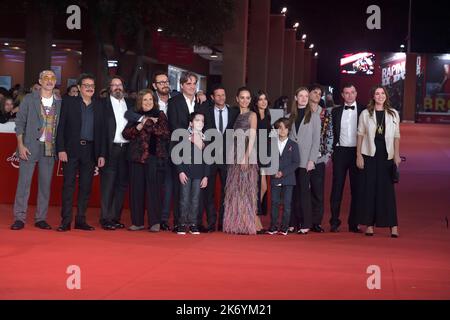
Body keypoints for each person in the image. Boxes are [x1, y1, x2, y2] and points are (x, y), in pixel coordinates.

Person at [11, 70, 61, 230]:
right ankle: (19, 217)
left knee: (45, 185)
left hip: (49, 148)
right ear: (40, 81)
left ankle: (41, 218)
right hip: (29, 147)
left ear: (55, 81)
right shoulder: (29, 99)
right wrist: (20, 145)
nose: (49, 80)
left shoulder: (60, 102)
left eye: (52, 78)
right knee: (24, 184)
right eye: (45, 78)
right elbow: (19, 123)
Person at [55, 73, 104, 231]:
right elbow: (60, 127)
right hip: (71, 149)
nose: (90, 88)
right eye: (86, 85)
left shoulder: (99, 105)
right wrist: (61, 149)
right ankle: (66, 221)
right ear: (79, 88)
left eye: (92, 86)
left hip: (90, 151)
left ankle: (81, 220)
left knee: (86, 186)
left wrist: (101, 154)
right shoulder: (69, 102)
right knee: (68, 185)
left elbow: (102, 133)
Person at [122, 89, 170, 232]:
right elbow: (126, 134)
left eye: (150, 99)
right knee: (136, 190)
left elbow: (165, 133)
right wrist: (140, 124)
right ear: (140, 102)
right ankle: (137, 222)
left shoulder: (160, 114)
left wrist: (147, 123)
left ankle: (155, 222)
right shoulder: (136, 116)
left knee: (154, 191)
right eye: (145, 100)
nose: (148, 102)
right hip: (137, 158)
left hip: (154, 158)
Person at [357, 86, 401, 238]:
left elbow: (396, 135)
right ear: (373, 96)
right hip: (369, 154)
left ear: (386, 96)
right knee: (370, 189)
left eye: (382, 93)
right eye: (377, 93)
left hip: (386, 155)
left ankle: (393, 226)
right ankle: (369, 225)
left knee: (387, 191)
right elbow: (360, 134)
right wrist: (358, 155)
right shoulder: (365, 114)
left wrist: (396, 155)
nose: (380, 96)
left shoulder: (393, 113)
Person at [199, 85, 239, 232]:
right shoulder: (205, 111)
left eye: (223, 95)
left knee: (226, 190)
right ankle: (211, 222)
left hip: (227, 157)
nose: (221, 97)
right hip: (209, 156)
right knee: (208, 191)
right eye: (218, 95)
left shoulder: (234, 112)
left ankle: (223, 222)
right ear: (212, 97)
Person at [167, 72, 203, 231]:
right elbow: (174, 125)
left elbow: (204, 124)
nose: (192, 86)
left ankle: (194, 222)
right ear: (181, 85)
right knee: (181, 189)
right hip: (180, 147)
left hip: (199, 151)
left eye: (194, 84)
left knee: (195, 193)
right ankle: (179, 223)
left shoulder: (201, 102)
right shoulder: (174, 102)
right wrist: (190, 137)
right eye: (188, 83)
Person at [99, 76, 133, 230]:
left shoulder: (131, 104)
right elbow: (98, 131)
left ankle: (115, 217)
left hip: (126, 149)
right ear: (109, 88)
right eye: (114, 85)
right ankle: (105, 218)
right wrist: (101, 153)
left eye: (120, 85)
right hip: (110, 148)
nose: (117, 87)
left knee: (121, 185)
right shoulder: (102, 105)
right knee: (108, 185)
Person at [223, 87, 258, 235]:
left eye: (248, 97)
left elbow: (253, 136)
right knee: (234, 189)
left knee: (245, 189)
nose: (245, 100)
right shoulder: (235, 115)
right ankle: (234, 224)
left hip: (246, 154)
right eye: (242, 97)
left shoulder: (252, 115)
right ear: (237, 99)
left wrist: (245, 157)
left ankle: (246, 224)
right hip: (234, 154)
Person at [329, 84, 364, 233]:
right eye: (346, 93)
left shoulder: (364, 110)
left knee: (357, 189)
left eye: (352, 92)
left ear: (356, 93)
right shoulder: (335, 111)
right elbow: (330, 132)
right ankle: (334, 222)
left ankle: (354, 223)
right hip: (340, 152)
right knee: (337, 188)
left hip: (358, 152)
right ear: (342, 95)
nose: (349, 95)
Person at [288, 87, 321, 234]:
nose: (303, 98)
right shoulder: (289, 116)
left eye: (306, 96)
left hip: (305, 160)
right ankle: (292, 222)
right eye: (300, 96)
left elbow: (316, 141)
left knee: (304, 192)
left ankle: (306, 223)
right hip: (291, 160)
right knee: (291, 192)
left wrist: (312, 160)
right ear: (295, 98)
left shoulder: (314, 117)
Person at [175, 112, 209, 234]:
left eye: (202, 120)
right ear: (191, 123)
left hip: (199, 174)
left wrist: (206, 176)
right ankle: (182, 223)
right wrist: (181, 172)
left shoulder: (206, 138)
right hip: (186, 173)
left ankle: (193, 223)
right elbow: (177, 156)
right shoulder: (184, 136)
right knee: (184, 198)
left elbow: (208, 160)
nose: (200, 123)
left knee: (195, 199)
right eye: (197, 120)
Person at [267, 118, 299, 235]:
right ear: (276, 129)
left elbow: (296, 162)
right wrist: (273, 171)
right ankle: (273, 226)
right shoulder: (271, 144)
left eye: (285, 127)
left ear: (288, 129)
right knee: (274, 203)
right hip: (275, 178)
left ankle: (285, 227)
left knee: (287, 204)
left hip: (288, 179)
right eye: (280, 127)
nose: (283, 130)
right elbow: (267, 160)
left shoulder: (293, 145)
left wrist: (283, 172)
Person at [308, 84, 333, 233]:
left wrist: (327, 155)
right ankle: (302, 219)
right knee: (302, 190)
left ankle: (316, 222)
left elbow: (330, 134)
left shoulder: (325, 114)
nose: (317, 95)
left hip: (319, 157)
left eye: (319, 93)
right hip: (302, 157)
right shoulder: (301, 111)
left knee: (318, 191)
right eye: (314, 92)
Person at [251, 90, 272, 233]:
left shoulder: (268, 115)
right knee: (257, 187)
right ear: (256, 102)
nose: (263, 101)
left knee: (263, 187)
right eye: (260, 99)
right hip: (254, 154)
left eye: (265, 99)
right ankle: (254, 218)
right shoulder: (254, 115)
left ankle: (253, 214)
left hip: (263, 154)